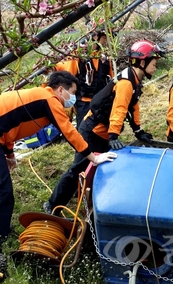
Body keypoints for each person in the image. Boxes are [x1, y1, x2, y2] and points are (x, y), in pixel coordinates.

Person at [43, 40, 163, 215]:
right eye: (154, 63)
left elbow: (133, 106)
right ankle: (52, 204)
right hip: (91, 131)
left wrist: (138, 131)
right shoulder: (126, 83)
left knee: (103, 167)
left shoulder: (135, 81)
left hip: (103, 133)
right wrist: (114, 135)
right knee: (78, 168)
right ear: (142, 62)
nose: (155, 67)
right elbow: (119, 109)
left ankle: (90, 198)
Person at [0, 71, 117, 246]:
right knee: (4, 190)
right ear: (61, 90)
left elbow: (9, 128)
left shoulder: (38, 99)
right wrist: (93, 158)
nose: (74, 97)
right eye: (73, 92)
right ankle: (2, 234)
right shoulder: (49, 99)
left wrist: (9, 154)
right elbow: (69, 131)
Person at [55, 30, 114, 129]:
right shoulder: (79, 55)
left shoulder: (106, 57)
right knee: (84, 131)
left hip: (101, 101)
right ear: (95, 37)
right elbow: (67, 73)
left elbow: (111, 78)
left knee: (102, 129)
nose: (106, 41)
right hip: (84, 101)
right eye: (104, 38)